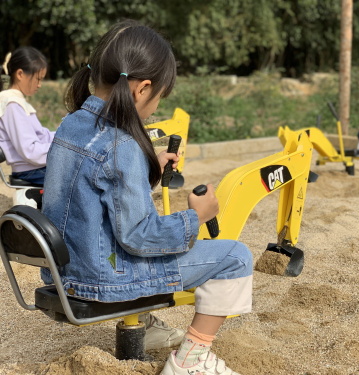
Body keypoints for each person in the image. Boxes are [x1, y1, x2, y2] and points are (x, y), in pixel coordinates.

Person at [41, 20, 252, 375]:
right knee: (235, 256)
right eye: (158, 99)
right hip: (104, 278)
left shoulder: (70, 124)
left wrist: (148, 164)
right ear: (142, 89)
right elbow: (139, 236)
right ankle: (192, 358)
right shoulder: (121, 146)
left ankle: (149, 328)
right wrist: (195, 217)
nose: (154, 108)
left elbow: (91, 189)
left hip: (65, 272)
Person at [0, 47, 55, 186]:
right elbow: (30, 151)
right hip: (30, 171)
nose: (39, 85)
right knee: (81, 177)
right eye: (37, 79)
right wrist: (62, 149)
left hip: (34, 167)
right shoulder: (11, 104)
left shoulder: (17, 101)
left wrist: (67, 136)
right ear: (20, 74)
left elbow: (43, 135)